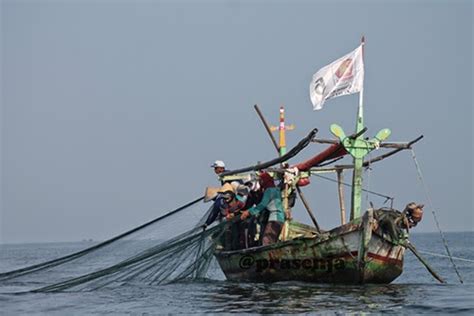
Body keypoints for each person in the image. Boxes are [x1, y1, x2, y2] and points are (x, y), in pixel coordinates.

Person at [240, 172, 285, 246]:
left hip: (275, 217)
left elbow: (262, 204)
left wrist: (249, 212)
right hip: (279, 218)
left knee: (266, 240)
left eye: (261, 180)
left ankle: (269, 257)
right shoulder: (275, 190)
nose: (261, 182)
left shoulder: (269, 190)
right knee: (271, 240)